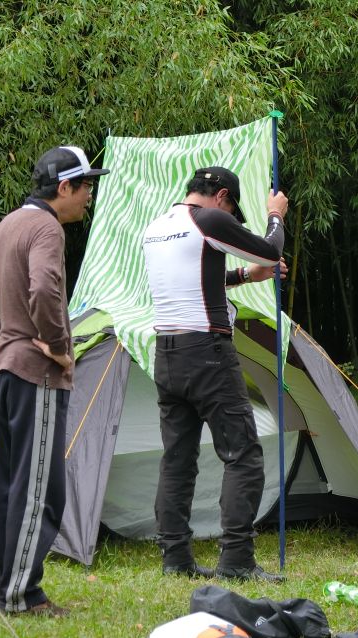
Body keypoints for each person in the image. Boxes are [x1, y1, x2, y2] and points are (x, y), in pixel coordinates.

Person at [0, 145, 109, 616]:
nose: (89, 195)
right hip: (35, 375)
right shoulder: (46, 228)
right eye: (86, 186)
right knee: (40, 490)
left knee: (13, 485)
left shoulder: (9, 223)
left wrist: (6, 332)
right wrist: (57, 346)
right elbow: (43, 287)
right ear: (64, 187)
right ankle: (21, 594)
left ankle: (5, 586)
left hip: (5, 371)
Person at [143, 166, 289, 583]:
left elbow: (195, 278)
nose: (230, 219)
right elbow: (270, 251)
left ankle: (175, 558)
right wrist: (275, 214)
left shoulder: (157, 227)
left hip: (166, 353)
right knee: (243, 454)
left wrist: (244, 275)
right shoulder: (208, 219)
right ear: (222, 196)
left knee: (177, 459)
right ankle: (237, 560)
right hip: (207, 352)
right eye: (231, 211)